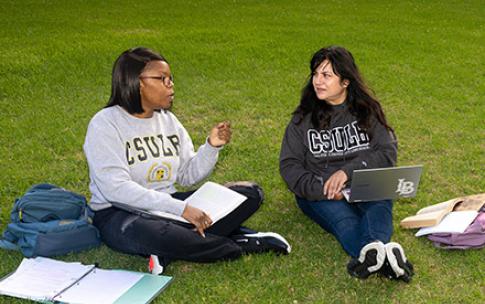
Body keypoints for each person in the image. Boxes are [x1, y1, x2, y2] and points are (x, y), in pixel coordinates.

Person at [84, 47, 290, 273]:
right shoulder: (105, 124)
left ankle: (176, 245)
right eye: (162, 79)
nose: (171, 85)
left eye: (171, 79)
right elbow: (116, 189)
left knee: (250, 194)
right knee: (153, 234)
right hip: (120, 213)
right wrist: (181, 209)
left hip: (169, 206)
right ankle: (238, 244)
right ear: (137, 82)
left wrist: (211, 147)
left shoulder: (168, 121)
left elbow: (187, 175)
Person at [279, 46, 414, 282]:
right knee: (345, 222)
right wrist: (324, 187)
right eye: (316, 74)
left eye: (327, 75)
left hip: (364, 184)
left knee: (379, 205)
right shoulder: (303, 119)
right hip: (322, 191)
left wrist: (348, 172)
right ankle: (383, 254)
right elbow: (290, 166)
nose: (318, 81)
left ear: (345, 81)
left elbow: (387, 152)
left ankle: (373, 256)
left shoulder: (367, 111)